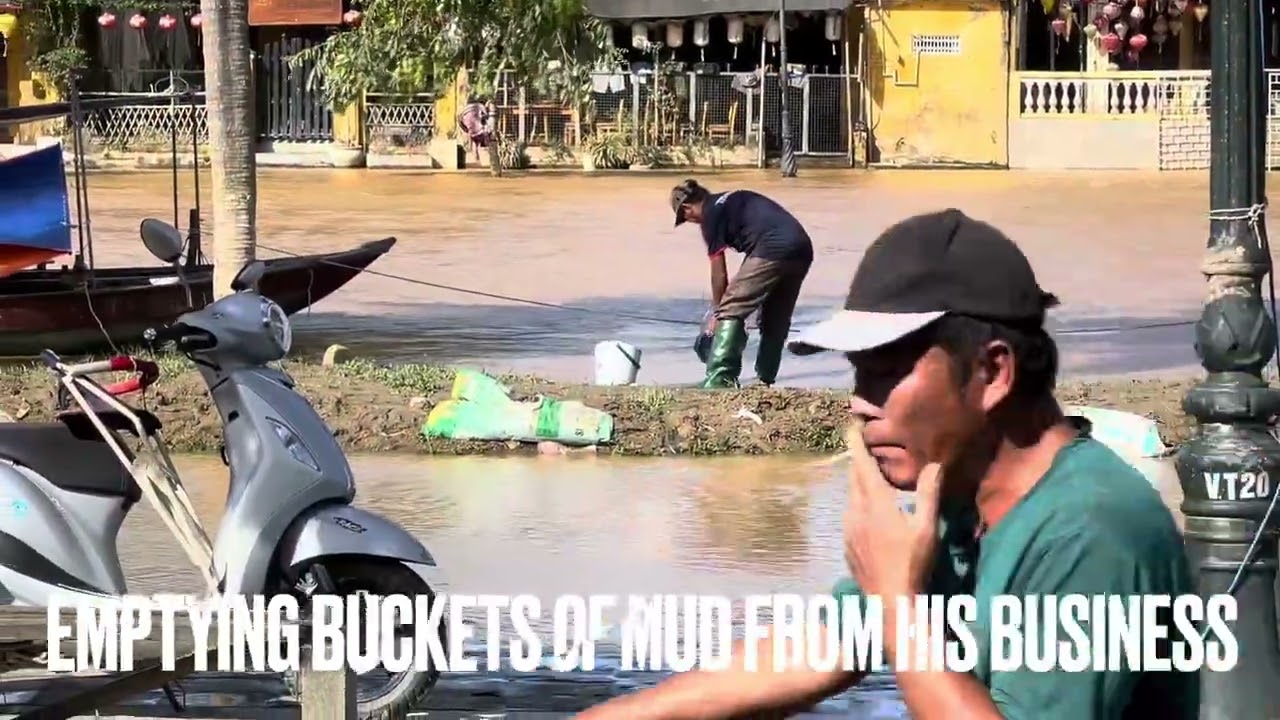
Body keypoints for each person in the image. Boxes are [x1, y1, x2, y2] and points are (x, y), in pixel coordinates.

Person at [574, 209, 1197, 720]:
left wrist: (898, 599)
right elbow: (819, 649)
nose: (858, 400)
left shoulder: (1090, 530)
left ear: (992, 371)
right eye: (856, 372)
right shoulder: (959, 503)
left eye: (886, 370)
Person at [670, 179, 813, 388]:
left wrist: (719, 313)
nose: (691, 222)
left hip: (772, 247)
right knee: (775, 316)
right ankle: (765, 381)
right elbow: (753, 260)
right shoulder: (728, 200)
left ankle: (720, 380)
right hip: (801, 248)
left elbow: (719, 274)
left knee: (731, 308)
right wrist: (749, 300)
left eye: (685, 218)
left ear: (687, 208)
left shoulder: (710, 216)